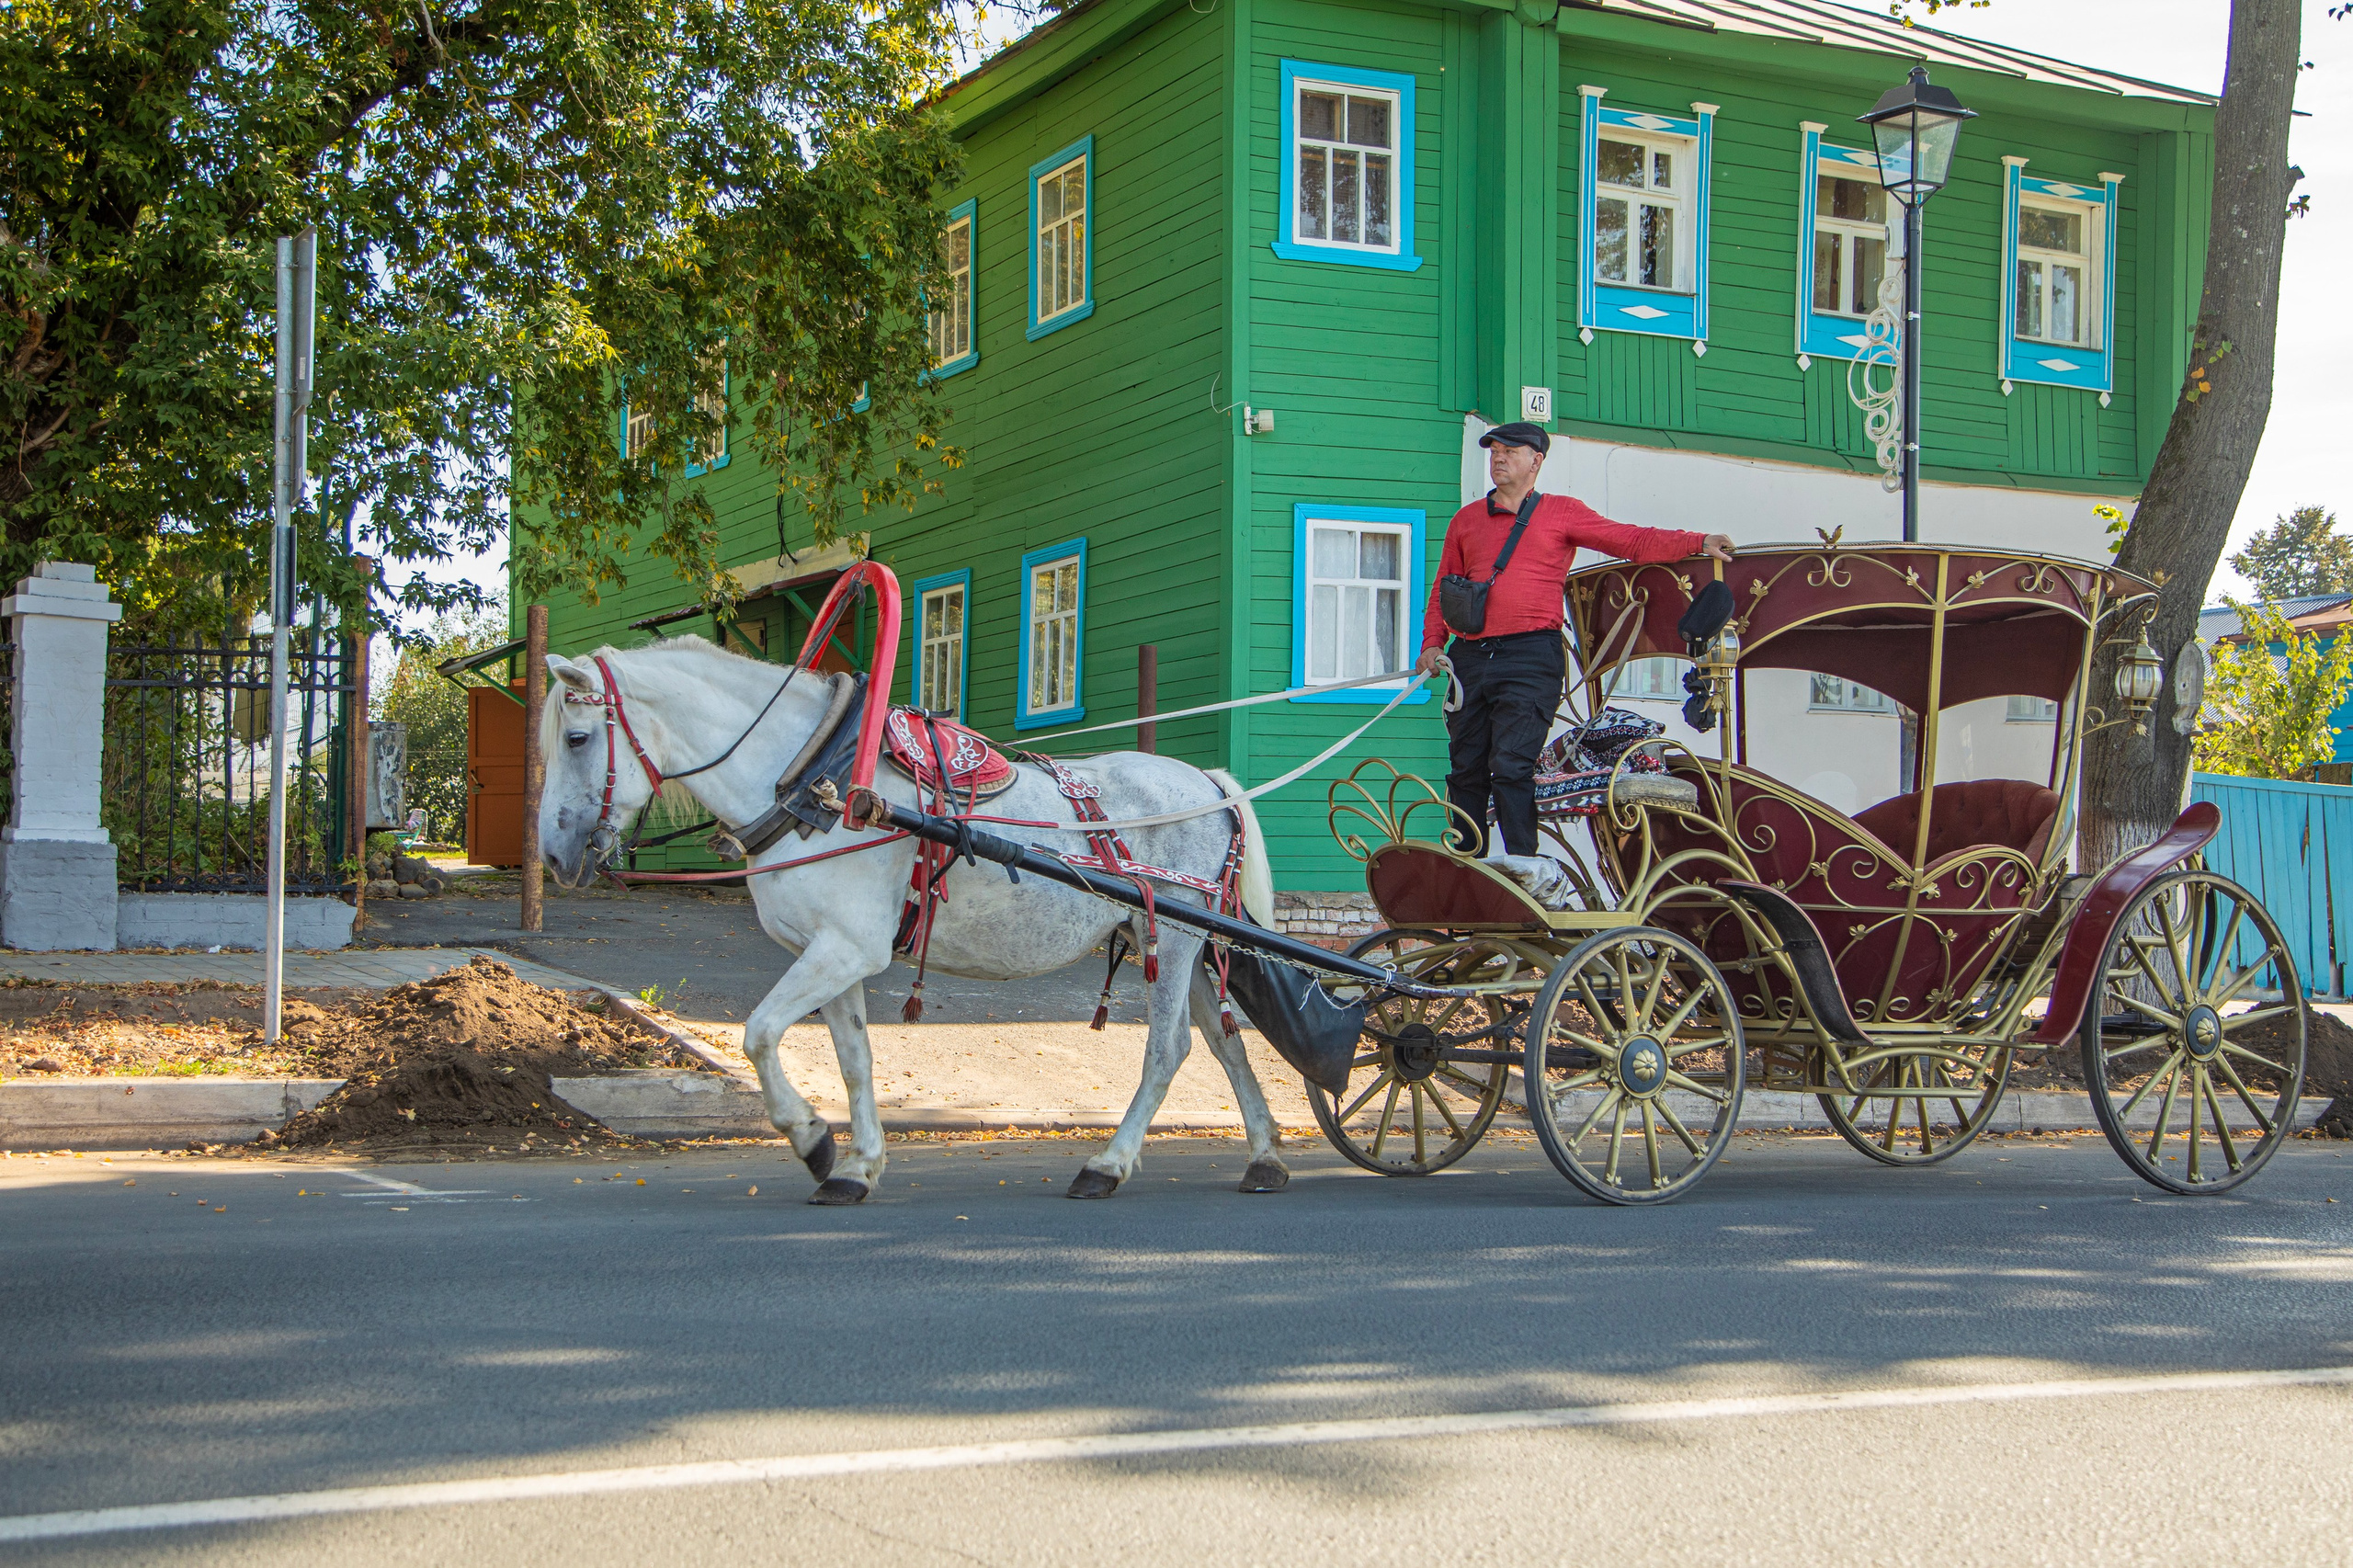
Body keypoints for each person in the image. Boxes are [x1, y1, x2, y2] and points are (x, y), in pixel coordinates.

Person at [1414, 422, 1734, 859]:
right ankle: (1469, 869)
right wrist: (1433, 643)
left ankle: (1522, 870)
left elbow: (1630, 540)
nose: (1498, 458)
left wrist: (1696, 541)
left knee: (1510, 766)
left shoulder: (1561, 512)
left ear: (1536, 461)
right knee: (1465, 769)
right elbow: (1444, 588)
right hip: (1468, 656)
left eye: (1509, 451)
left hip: (1530, 656)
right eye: (1494, 451)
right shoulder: (1466, 520)